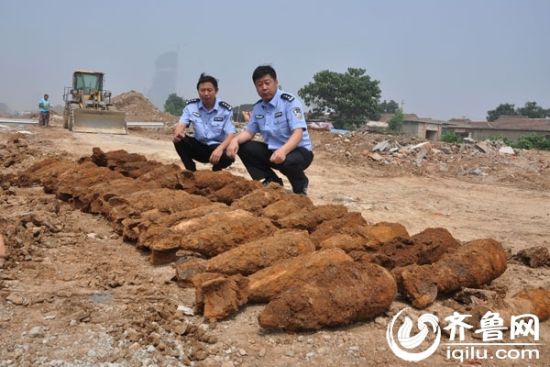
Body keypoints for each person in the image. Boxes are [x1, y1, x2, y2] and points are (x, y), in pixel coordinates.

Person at [226, 65, 313, 194]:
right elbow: (249, 132)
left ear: (276, 82)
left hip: (299, 152)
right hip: (273, 152)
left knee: (288, 162)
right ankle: (272, 181)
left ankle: (300, 184)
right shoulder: (258, 108)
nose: (264, 87)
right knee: (244, 146)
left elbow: (298, 133)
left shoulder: (289, 102)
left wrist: (283, 151)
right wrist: (234, 141)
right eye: (259, 85)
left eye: (267, 83)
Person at [173, 73, 236, 171]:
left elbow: (231, 134)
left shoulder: (225, 110)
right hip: (198, 146)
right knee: (179, 141)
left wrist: (219, 149)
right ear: (198, 91)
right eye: (202, 90)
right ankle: (190, 171)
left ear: (216, 91)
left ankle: (215, 172)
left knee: (229, 155)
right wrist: (178, 133)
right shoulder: (191, 106)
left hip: (216, 148)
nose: (206, 93)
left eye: (209, 90)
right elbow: (181, 124)